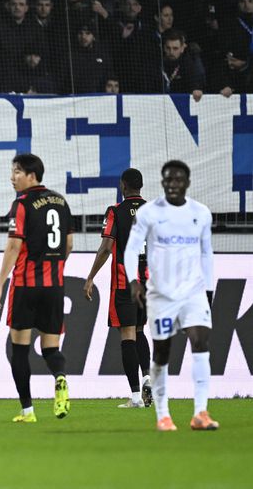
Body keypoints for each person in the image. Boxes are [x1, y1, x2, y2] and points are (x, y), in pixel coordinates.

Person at [125, 160, 219, 432]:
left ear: (187, 182)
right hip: (162, 295)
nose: (173, 184)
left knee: (200, 344)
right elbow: (131, 249)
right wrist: (134, 280)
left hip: (193, 292)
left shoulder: (200, 213)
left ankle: (200, 412)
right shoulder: (149, 213)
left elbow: (206, 253)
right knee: (162, 352)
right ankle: (163, 415)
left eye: (178, 179)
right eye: (168, 179)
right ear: (163, 182)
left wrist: (209, 289)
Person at [0, 153, 73, 423]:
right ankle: (60, 378)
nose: (12, 177)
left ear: (31, 175)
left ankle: (27, 411)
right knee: (51, 348)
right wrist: (55, 267)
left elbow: (14, 245)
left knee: (20, 349)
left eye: (17, 172)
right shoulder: (61, 201)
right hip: (54, 286)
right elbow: (68, 244)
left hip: (26, 285)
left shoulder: (22, 204)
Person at [84, 168, 152, 409]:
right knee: (141, 330)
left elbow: (106, 247)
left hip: (125, 282)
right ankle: (146, 377)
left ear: (123, 186)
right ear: (140, 186)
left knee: (127, 335)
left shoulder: (116, 211)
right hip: (148, 282)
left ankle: (135, 396)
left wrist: (91, 276)